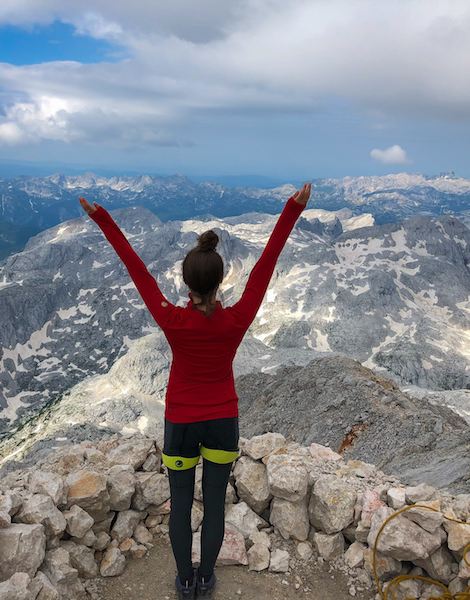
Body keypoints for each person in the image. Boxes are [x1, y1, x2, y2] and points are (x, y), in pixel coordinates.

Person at [80, 182, 311, 599]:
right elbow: (265, 267)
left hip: (181, 422)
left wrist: (103, 220)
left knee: (181, 504)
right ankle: (206, 579)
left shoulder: (173, 321)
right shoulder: (236, 319)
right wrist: (291, 211)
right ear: (222, 281)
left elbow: (136, 270)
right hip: (223, 421)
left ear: (185, 284)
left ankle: (184, 581)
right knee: (216, 503)